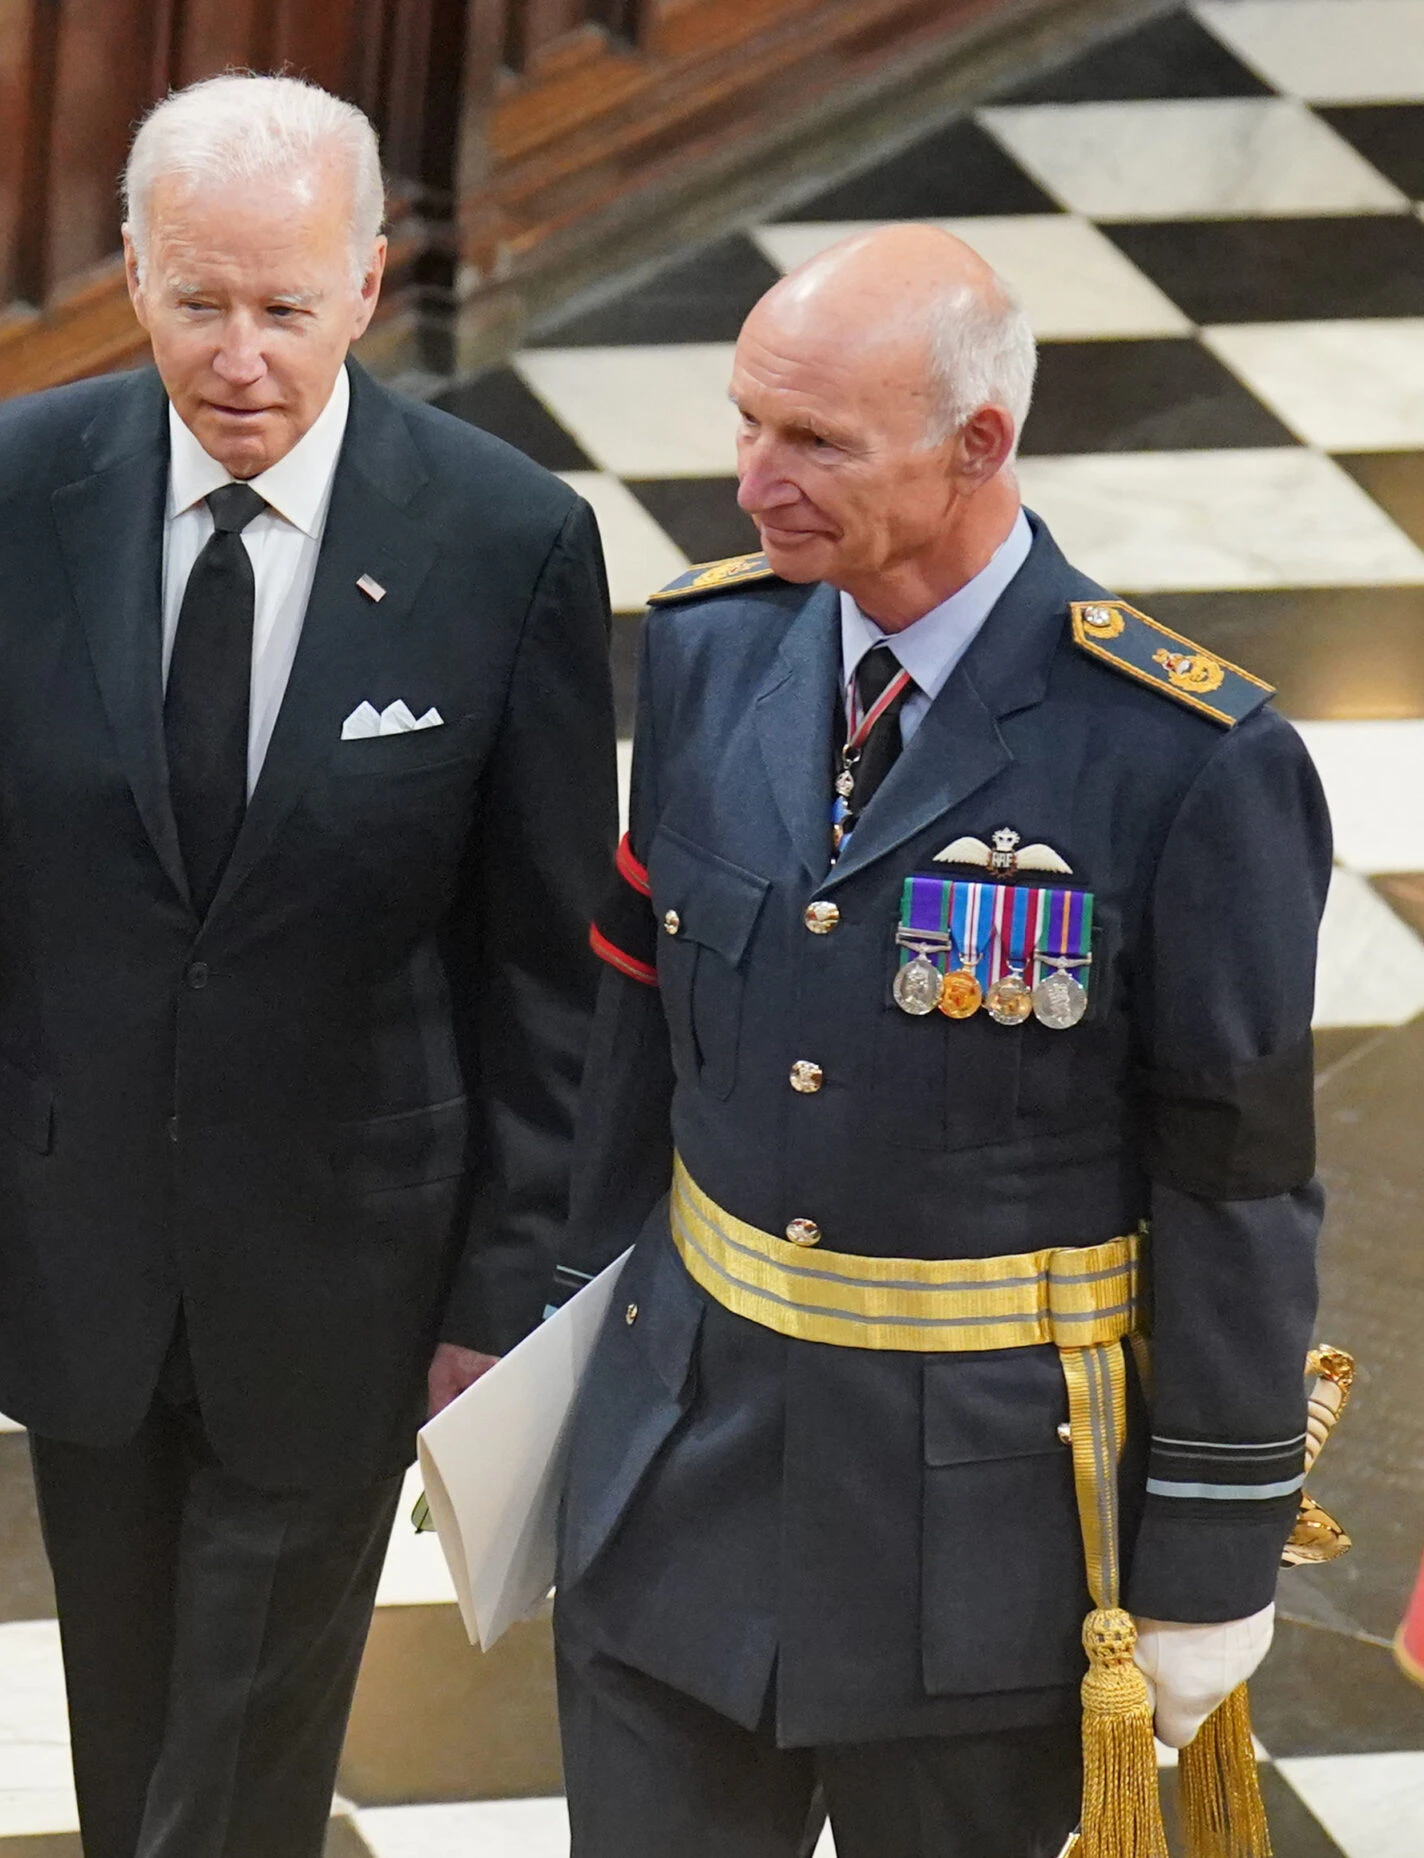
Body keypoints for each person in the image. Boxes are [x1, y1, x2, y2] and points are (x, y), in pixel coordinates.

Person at [0, 73, 620, 1858]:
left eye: (287, 309)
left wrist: (503, 1294)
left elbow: (548, 971)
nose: (241, 356)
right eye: (199, 301)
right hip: (77, 1248)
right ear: (133, 275)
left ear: (370, 286)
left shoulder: (503, 539)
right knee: (134, 1711)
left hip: (352, 1269)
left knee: (233, 1751)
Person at [551, 225, 1327, 1857]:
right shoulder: (709, 651)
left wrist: (1212, 1550)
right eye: (748, 420)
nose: (754, 478)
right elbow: (639, 1036)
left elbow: (1236, 1177)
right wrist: (554, 1346)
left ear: (980, 444)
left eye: (815, 440)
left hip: (979, 1543)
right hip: (678, 1471)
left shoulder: (1181, 757)